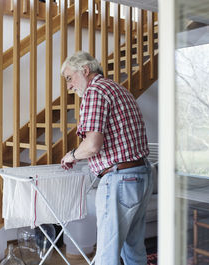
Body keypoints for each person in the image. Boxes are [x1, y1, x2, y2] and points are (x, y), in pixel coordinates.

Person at [60, 51, 154, 265]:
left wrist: (72, 155)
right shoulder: (117, 88)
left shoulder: (95, 92)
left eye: (69, 78)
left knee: (107, 255)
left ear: (84, 70)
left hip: (121, 179)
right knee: (134, 250)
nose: (69, 86)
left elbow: (92, 145)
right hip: (141, 174)